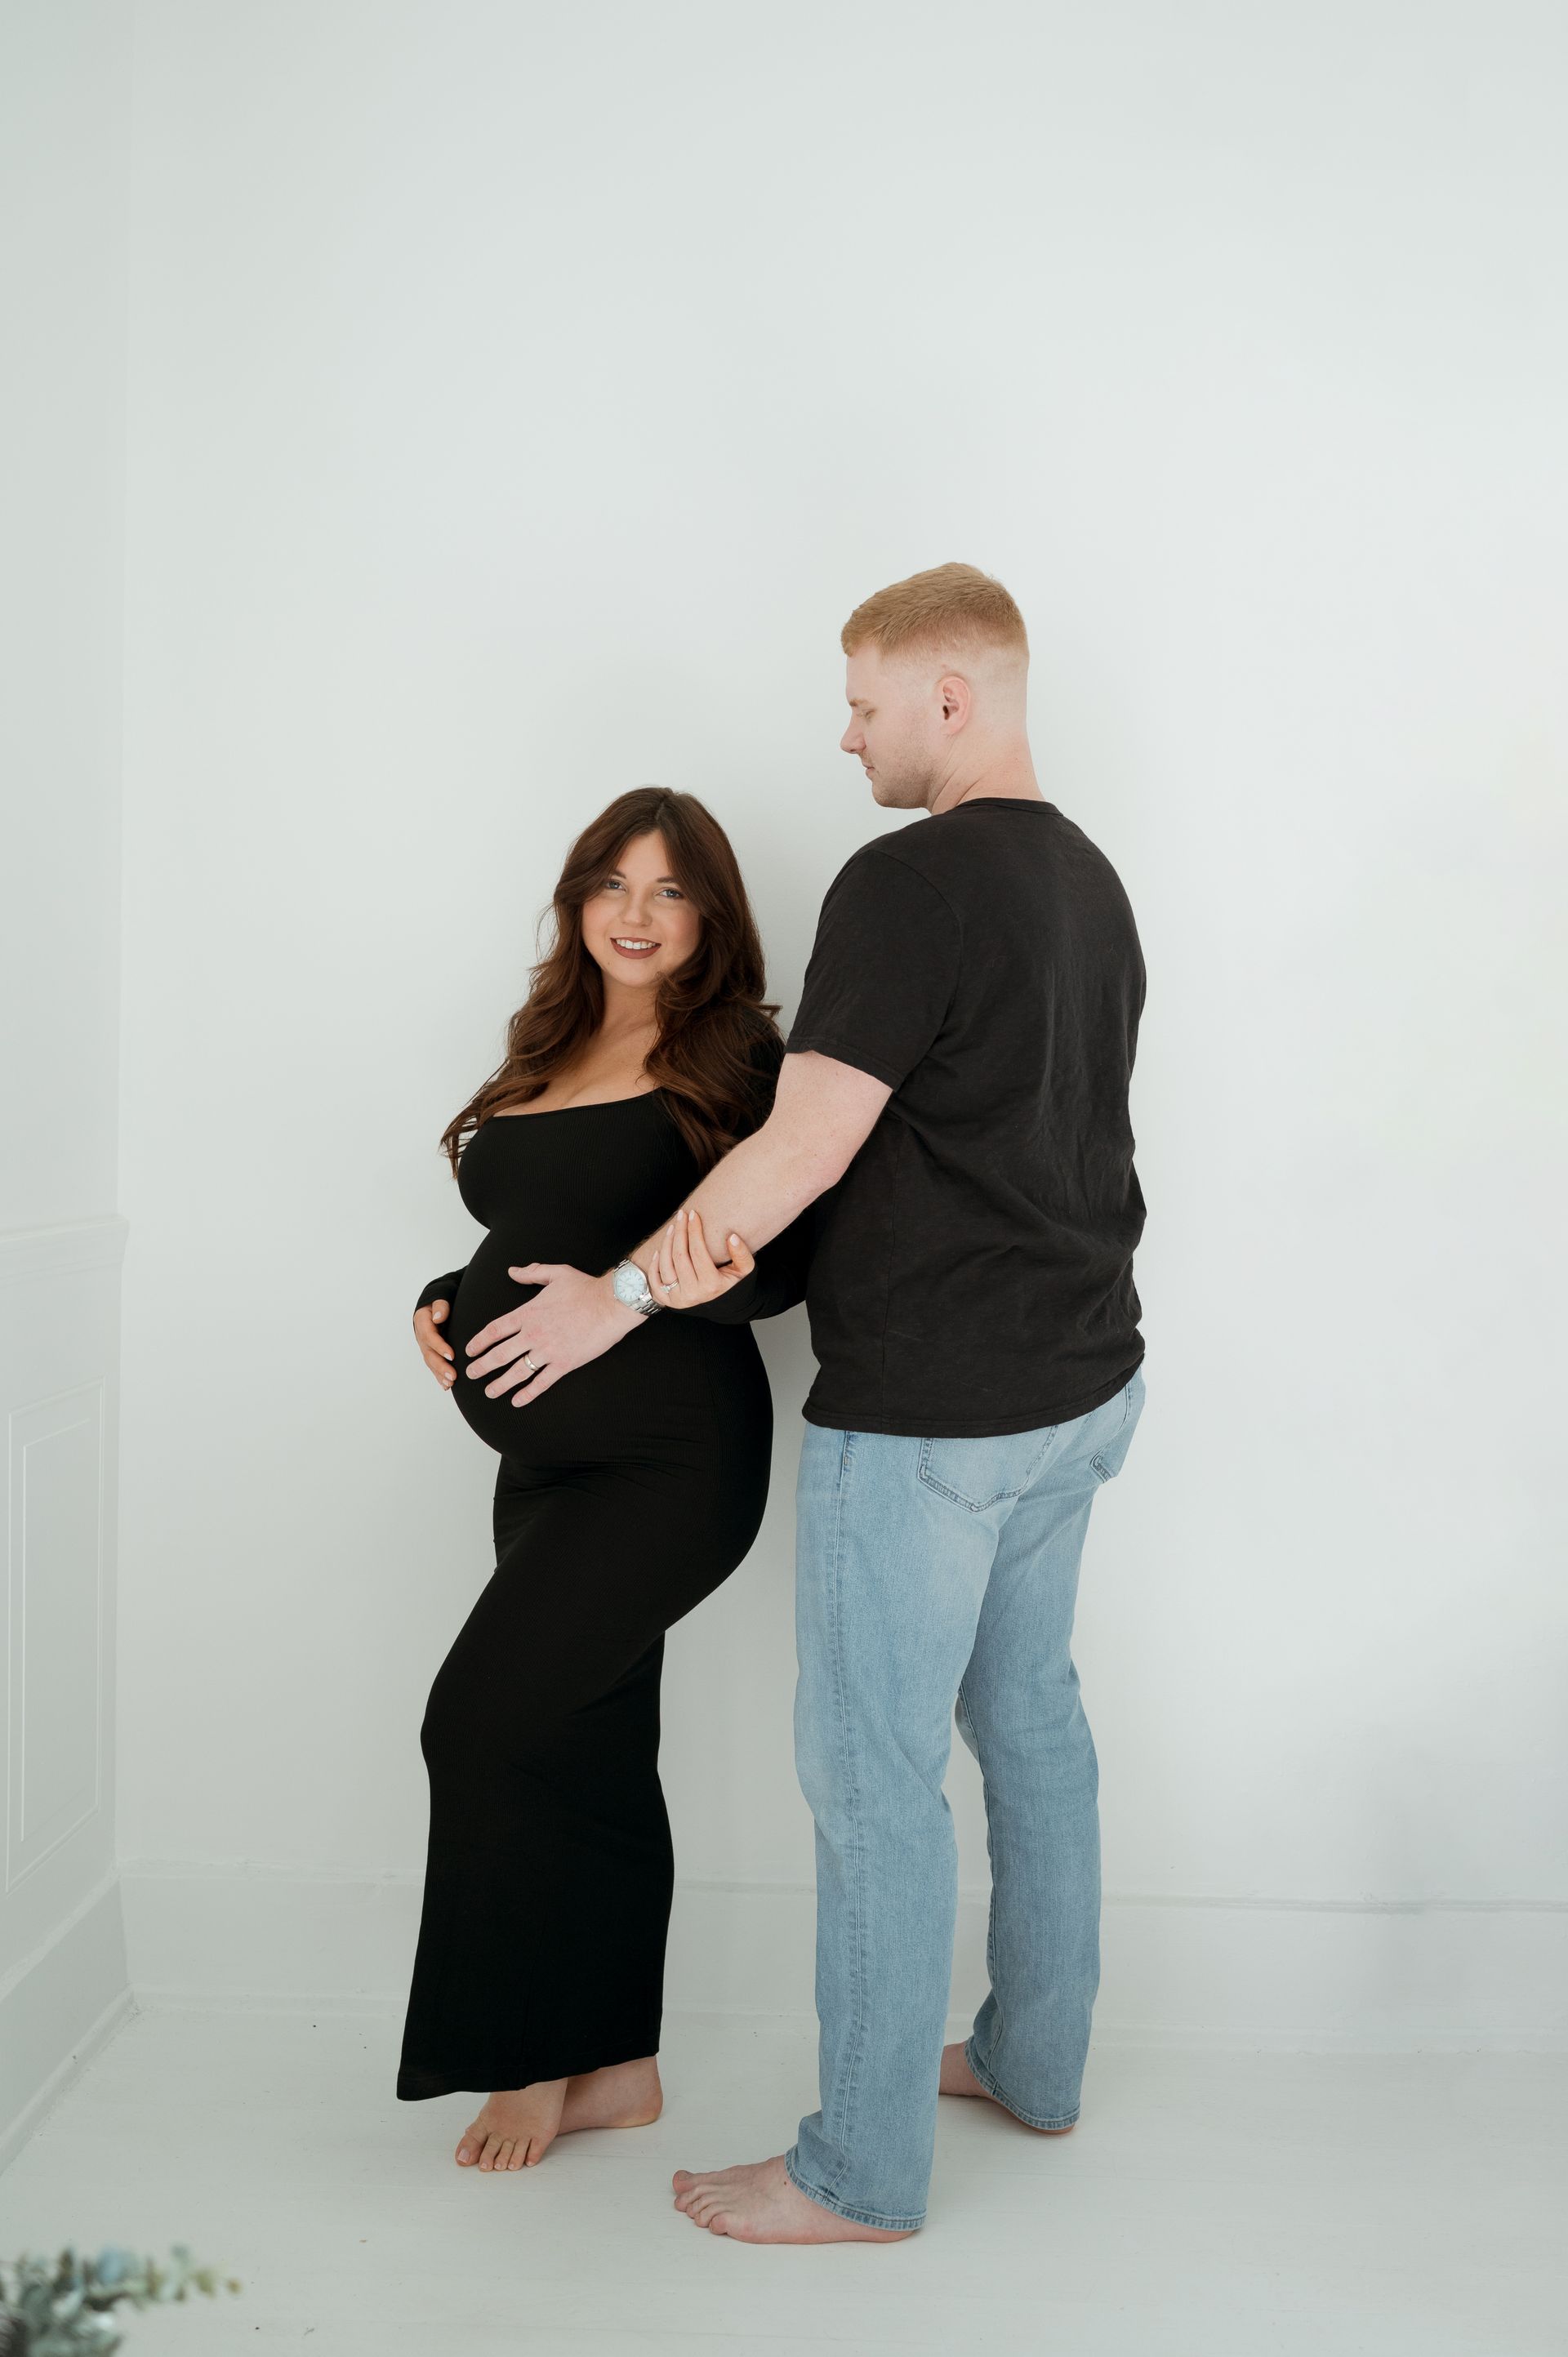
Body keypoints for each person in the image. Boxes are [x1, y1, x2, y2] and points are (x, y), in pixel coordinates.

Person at [464, 562, 1148, 2240]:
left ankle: (857, 2173)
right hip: (1081, 1387)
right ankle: (1036, 2065)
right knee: (1033, 1726)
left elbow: (799, 1149)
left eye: (863, 704)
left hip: (929, 1417)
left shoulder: (909, 879)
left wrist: (616, 1297)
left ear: (949, 697)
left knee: (872, 1785)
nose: (845, 738)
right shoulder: (1091, 877)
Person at [398, 786, 813, 2172]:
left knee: (479, 1724)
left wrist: (636, 1296)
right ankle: (618, 2065)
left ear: (711, 915)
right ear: (579, 899)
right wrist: (443, 1301)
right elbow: (536, 1223)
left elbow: (786, 1262)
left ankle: (528, 2059)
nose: (637, 913)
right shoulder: (553, 1039)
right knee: (585, 1744)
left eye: (671, 889)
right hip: (544, 1464)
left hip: (668, 1461)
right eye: (613, 883)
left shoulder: (736, 1059)